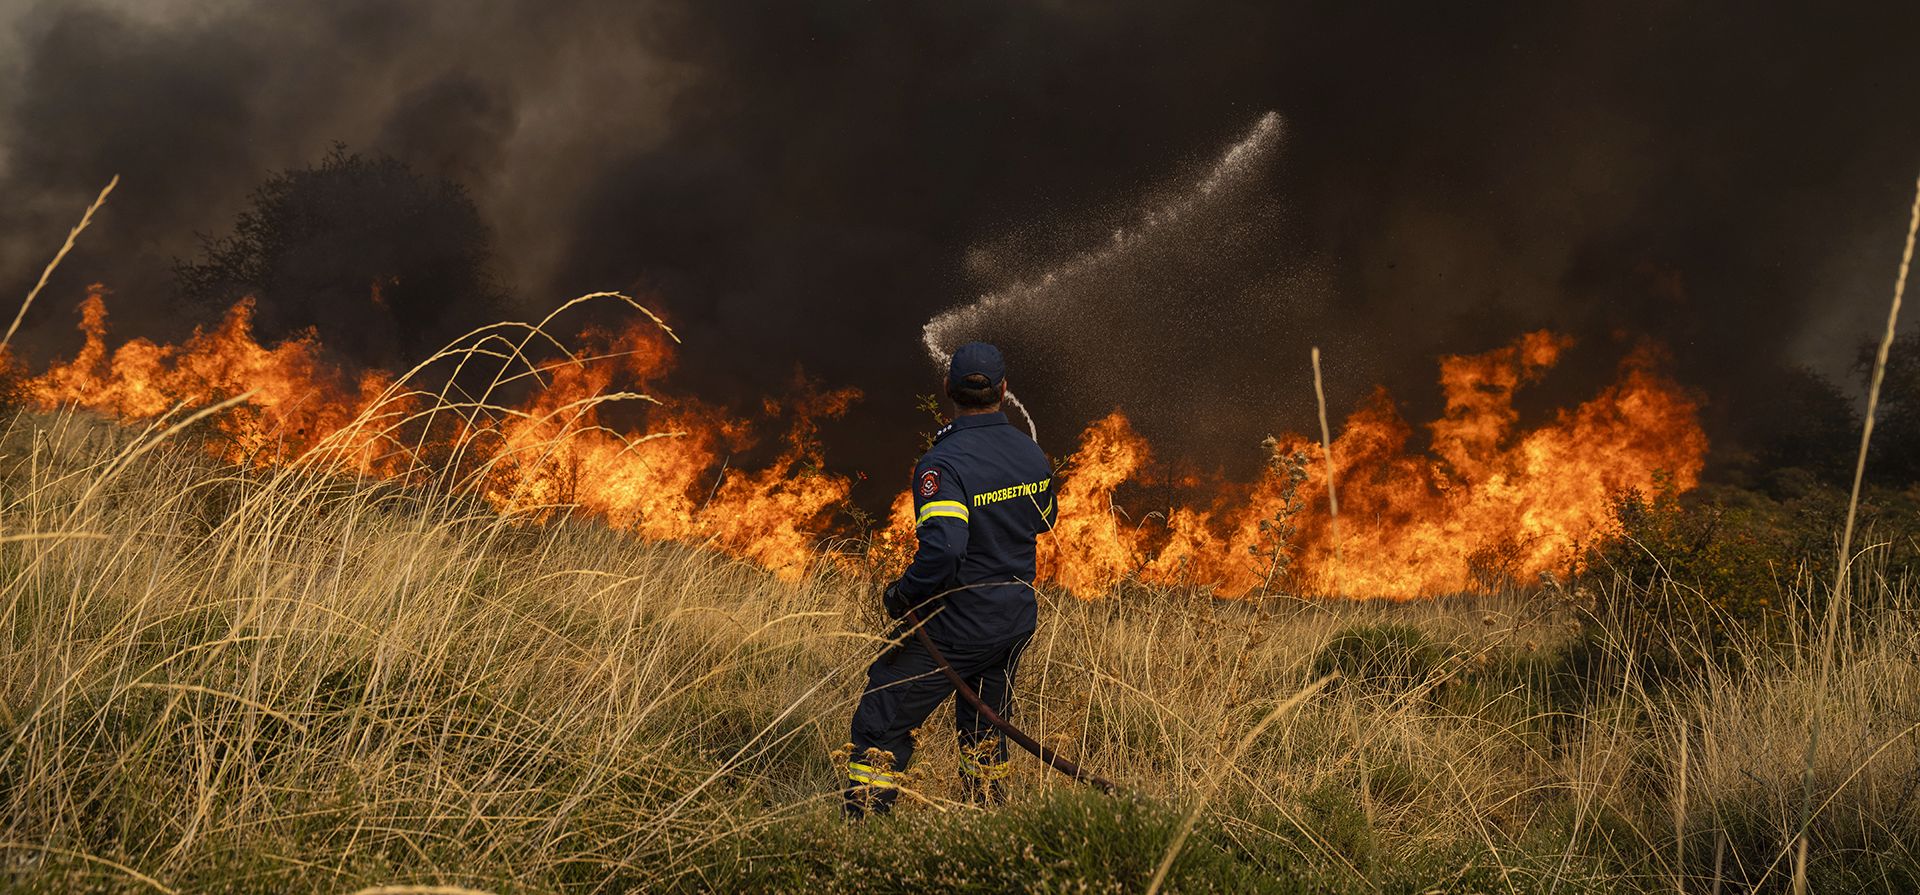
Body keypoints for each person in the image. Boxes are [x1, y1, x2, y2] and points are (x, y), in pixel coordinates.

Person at [843, 342, 1056, 816]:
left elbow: (945, 548)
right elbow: (1043, 520)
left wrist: (903, 594)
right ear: (1004, 390)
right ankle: (988, 819)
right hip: (1014, 620)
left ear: (947, 389)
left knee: (882, 721)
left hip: (957, 625)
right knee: (984, 728)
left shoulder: (943, 464)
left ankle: (859, 837)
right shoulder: (1031, 453)